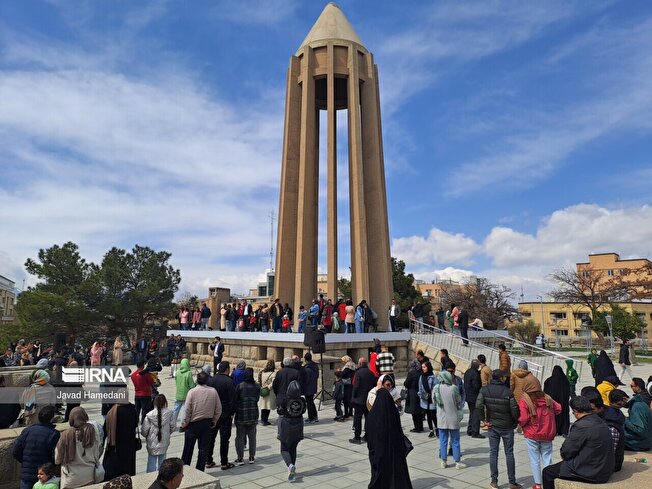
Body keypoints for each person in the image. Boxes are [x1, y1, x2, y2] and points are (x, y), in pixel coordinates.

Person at [541, 396, 615, 489]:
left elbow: (566, 451)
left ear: (575, 411)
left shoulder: (581, 426)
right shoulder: (599, 420)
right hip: (605, 468)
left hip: (592, 472)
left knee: (548, 472)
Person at [476, 369, 521, 489]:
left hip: (493, 426)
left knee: (493, 453)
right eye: (504, 377)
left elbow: (478, 405)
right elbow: (515, 410)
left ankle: (494, 481)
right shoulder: (508, 392)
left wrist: (484, 420)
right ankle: (512, 482)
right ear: (501, 378)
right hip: (507, 426)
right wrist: (515, 422)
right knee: (509, 453)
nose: (506, 378)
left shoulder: (485, 390)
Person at [517, 375, 561, 489]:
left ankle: (538, 484)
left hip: (532, 434)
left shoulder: (524, 400)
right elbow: (559, 408)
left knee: (534, 459)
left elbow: (522, 418)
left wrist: (521, 426)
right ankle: (549, 483)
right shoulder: (547, 398)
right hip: (547, 433)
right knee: (547, 458)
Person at [366, 388, 413, 488]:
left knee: (380, 475)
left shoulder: (372, 415)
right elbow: (399, 431)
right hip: (394, 450)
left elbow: (369, 436)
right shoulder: (393, 413)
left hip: (379, 452)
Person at [181, 371, 222, 471]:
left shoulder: (192, 392)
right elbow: (218, 408)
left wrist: (185, 423)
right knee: (203, 449)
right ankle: (200, 470)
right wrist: (214, 420)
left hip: (192, 424)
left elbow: (187, 410)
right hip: (207, 423)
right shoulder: (213, 391)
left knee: (188, 449)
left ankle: (184, 470)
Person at [12, 405, 60, 489]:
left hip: (27, 474)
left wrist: (26, 462)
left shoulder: (27, 431)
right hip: (45, 475)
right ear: (51, 419)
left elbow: (15, 451)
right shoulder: (54, 434)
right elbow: (54, 456)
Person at [55, 407, 101, 488]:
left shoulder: (65, 435)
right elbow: (97, 452)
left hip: (71, 477)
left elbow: (57, 458)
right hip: (89, 475)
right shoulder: (93, 431)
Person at [206, 361, 236, 471]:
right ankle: (224, 462)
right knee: (224, 439)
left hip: (213, 413)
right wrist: (232, 413)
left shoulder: (212, 380)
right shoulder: (229, 381)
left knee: (211, 437)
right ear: (227, 369)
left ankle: (208, 460)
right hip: (225, 413)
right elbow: (233, 399)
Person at [277, 379, 306, 481]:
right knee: (293, 447)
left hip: (287, 425)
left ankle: (290, 466)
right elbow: (304, 410)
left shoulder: (285, 400)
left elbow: (279, 411)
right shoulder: (302, 400)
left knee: (284, 448)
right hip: (298, 425)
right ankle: (292, 468)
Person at [103, 401, 138, 480]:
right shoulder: (132, 409)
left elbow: (105, 430)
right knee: (128, 471)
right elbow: (136, 423)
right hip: (129, 446)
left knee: (115, 472)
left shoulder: (112, 411)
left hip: (116, 447)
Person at [141, 394, 176, 472]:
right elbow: (173, 427)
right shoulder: (170, 413)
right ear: (165, 402)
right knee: (163, 463)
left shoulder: (149, 415)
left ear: (154, 403)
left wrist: (146, 436)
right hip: (164, 441)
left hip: (152, 442)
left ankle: (150, 477)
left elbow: (144, 431)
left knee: (151, 462)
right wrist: (168, 433)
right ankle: (162, 477)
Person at [233, 367, 260, 465]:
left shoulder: (240, 386)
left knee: (240, 437)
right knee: (252, 437)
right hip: (253, 414)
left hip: (241, 414)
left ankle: (240, 458)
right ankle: (251, 457)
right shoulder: (257, 386)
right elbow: (257, 399)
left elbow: (236, 399)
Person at [350, 357, 377, 444]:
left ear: (360, 364)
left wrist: (353, 396)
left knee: (357, 418)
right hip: (368, 399)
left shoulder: (358, 373)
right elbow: (374, 385)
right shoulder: (371, 373)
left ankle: (357, 437)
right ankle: (367, 435)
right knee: (368, 418)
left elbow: (356, 386)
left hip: (359, 400)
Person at [543, 365, 570, 436]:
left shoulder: (548, 381)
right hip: (563, 402)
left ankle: (553, 430)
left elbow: (545, 392)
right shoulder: (565, 381)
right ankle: (563, 430)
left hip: (552, 403)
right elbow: (568, 392)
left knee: (552, 416)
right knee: (564, 415)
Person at [418, 361, 438, 438]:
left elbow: (436, 388)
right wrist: (421, 395)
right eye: (422, 367)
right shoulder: (421, 377)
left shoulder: (433, 377)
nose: (423, 369)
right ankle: (431, 430)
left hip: (432, 399)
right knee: (428, 416)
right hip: (425, 399)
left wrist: (432, 395)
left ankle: (437, 428)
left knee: (433, 415)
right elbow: (420, 388)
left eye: (424, 367)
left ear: (428, 367)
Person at [464, 359, 484, 438]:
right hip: (474, 396)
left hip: (468, 396)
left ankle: (470, 429)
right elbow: (476, 387)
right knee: (476, 414)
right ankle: (475, 432)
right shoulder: (475, 374)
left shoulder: (467, 372)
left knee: (472, 413)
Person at [173, 358, 195, 423]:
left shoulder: (177, 372)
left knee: (176, 409)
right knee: (184, 410)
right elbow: (191, 385)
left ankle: (172, 423)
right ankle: (182, 424)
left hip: (178, 393)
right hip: (186, 394)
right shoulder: (189, 373)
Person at [404, 360, 423, 432]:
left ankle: (417, 427)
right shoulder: (421, 372)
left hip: (412, 393)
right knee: (420, 411)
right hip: (420, 392)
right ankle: (420, 427)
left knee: (414, 412)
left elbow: (406, 383)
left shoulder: (411, 373)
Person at [301, 352, 319, 423]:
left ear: (305, 359)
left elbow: (306, 380)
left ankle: (311, 418)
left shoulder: (307, 369)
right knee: (311, 402)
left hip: (308, 388)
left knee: (309, 403)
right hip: (313, 386)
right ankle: (315, 416)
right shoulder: (315, 366)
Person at [258, 359, 277, 426]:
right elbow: (273, 383)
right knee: (268, 406)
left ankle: (262, 419)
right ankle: (265, 420)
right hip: (269, 392)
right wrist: (268, 387)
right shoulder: (273, 374)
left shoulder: (262, 372)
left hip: (263, 390)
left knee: (263, 406)